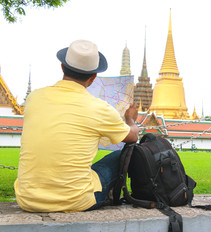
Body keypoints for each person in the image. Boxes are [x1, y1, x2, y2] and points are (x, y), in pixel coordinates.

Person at [14, 40, 140, 212]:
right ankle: (110, 194)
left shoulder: (34, 97)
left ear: (62, 67)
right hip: (75, 201)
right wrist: (130, 118)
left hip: (27, 199)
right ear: (94, 77)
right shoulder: (99, 108)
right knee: (121, 155)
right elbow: (133, 137)